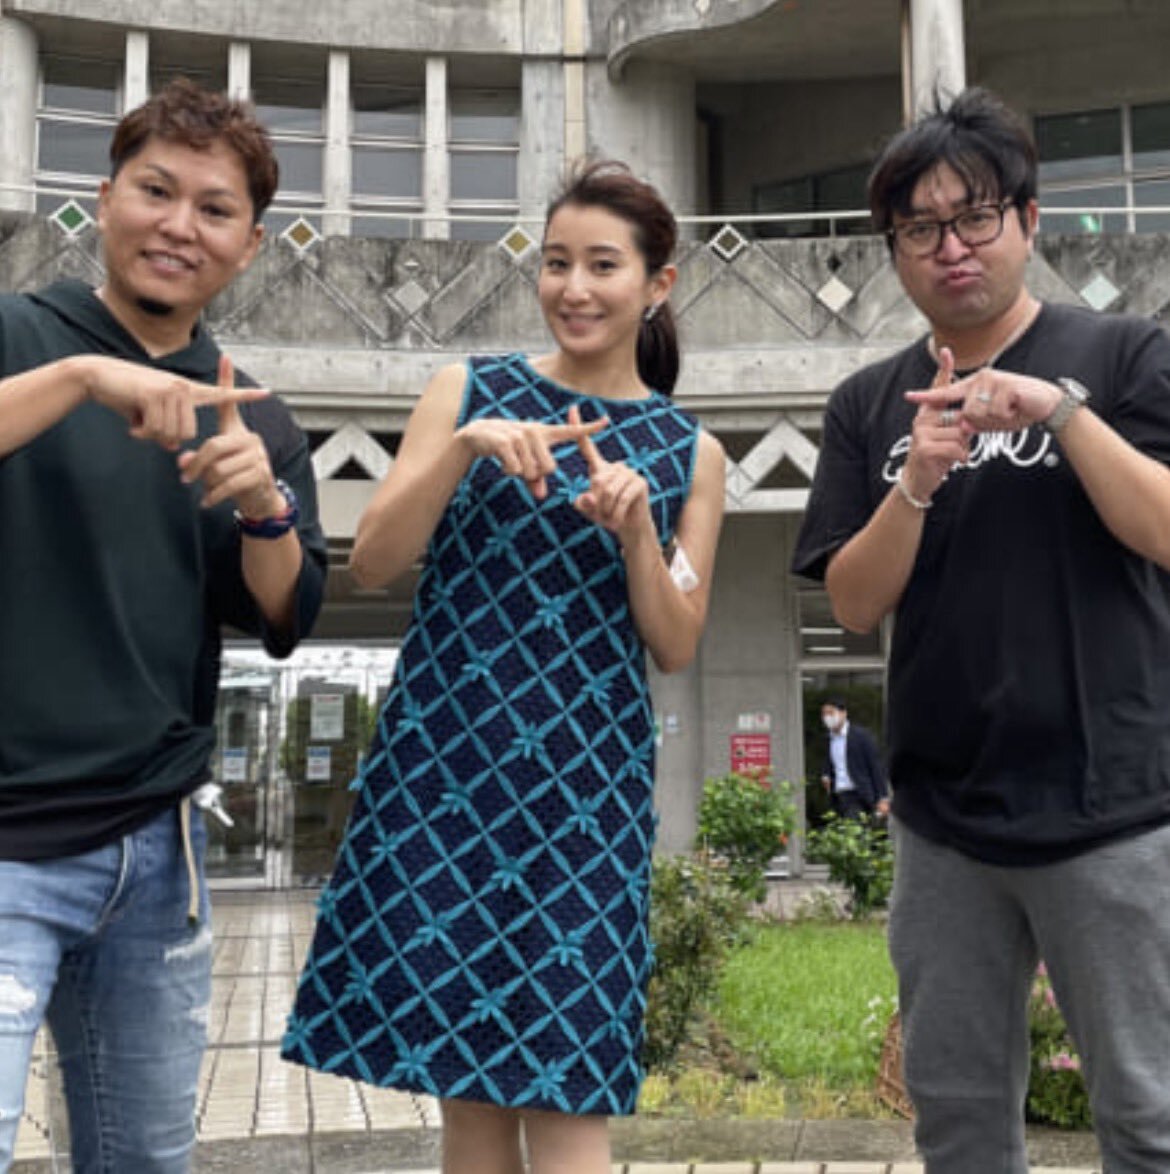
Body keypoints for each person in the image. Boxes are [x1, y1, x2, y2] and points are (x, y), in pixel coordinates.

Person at [282, 160, 726, 1174]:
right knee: (472, 1105)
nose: (574, 287)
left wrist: (637, 535)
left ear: (657, 283)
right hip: (448, 774)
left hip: (586, 797)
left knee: (570, 1093)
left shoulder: (690, 452)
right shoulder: (467, 391)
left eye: (603, 265)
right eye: (556, 262)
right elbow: (373, 560)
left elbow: (676, 640)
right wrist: (463, 450)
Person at [792, 85, 1170, 1173]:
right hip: (943, 824)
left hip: (1115, 810)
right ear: (895, 252)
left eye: (975, 217)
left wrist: (1059, 411)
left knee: (1148, 1117)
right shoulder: (871, 402)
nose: (950, 247)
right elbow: (853, 603)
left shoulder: (1125, 354)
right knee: (958, 1127)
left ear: (1029, 220)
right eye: (919, 229)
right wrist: (914, 481)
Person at [0, 79, 326, 1173]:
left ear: (250, 244)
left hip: (157, 851)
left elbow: (282, 613)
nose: (179, 225)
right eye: (155, 191)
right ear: (104, 199)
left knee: (145, 1159)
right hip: (7, 838)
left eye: (214, 208)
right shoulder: (19, 334)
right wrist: (82, 379)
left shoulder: (253, 410)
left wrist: (264, 505)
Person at [819, 699, 889, 820]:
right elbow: (830, 762)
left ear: (843, 713)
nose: (827, 718)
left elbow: (875, 766)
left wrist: (882, 798)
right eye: (824, 714)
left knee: (853, 827)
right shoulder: (829, 739)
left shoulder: (861, 736)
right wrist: (826, 775)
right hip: (838, 796)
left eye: (831, 713)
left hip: (858, 794)